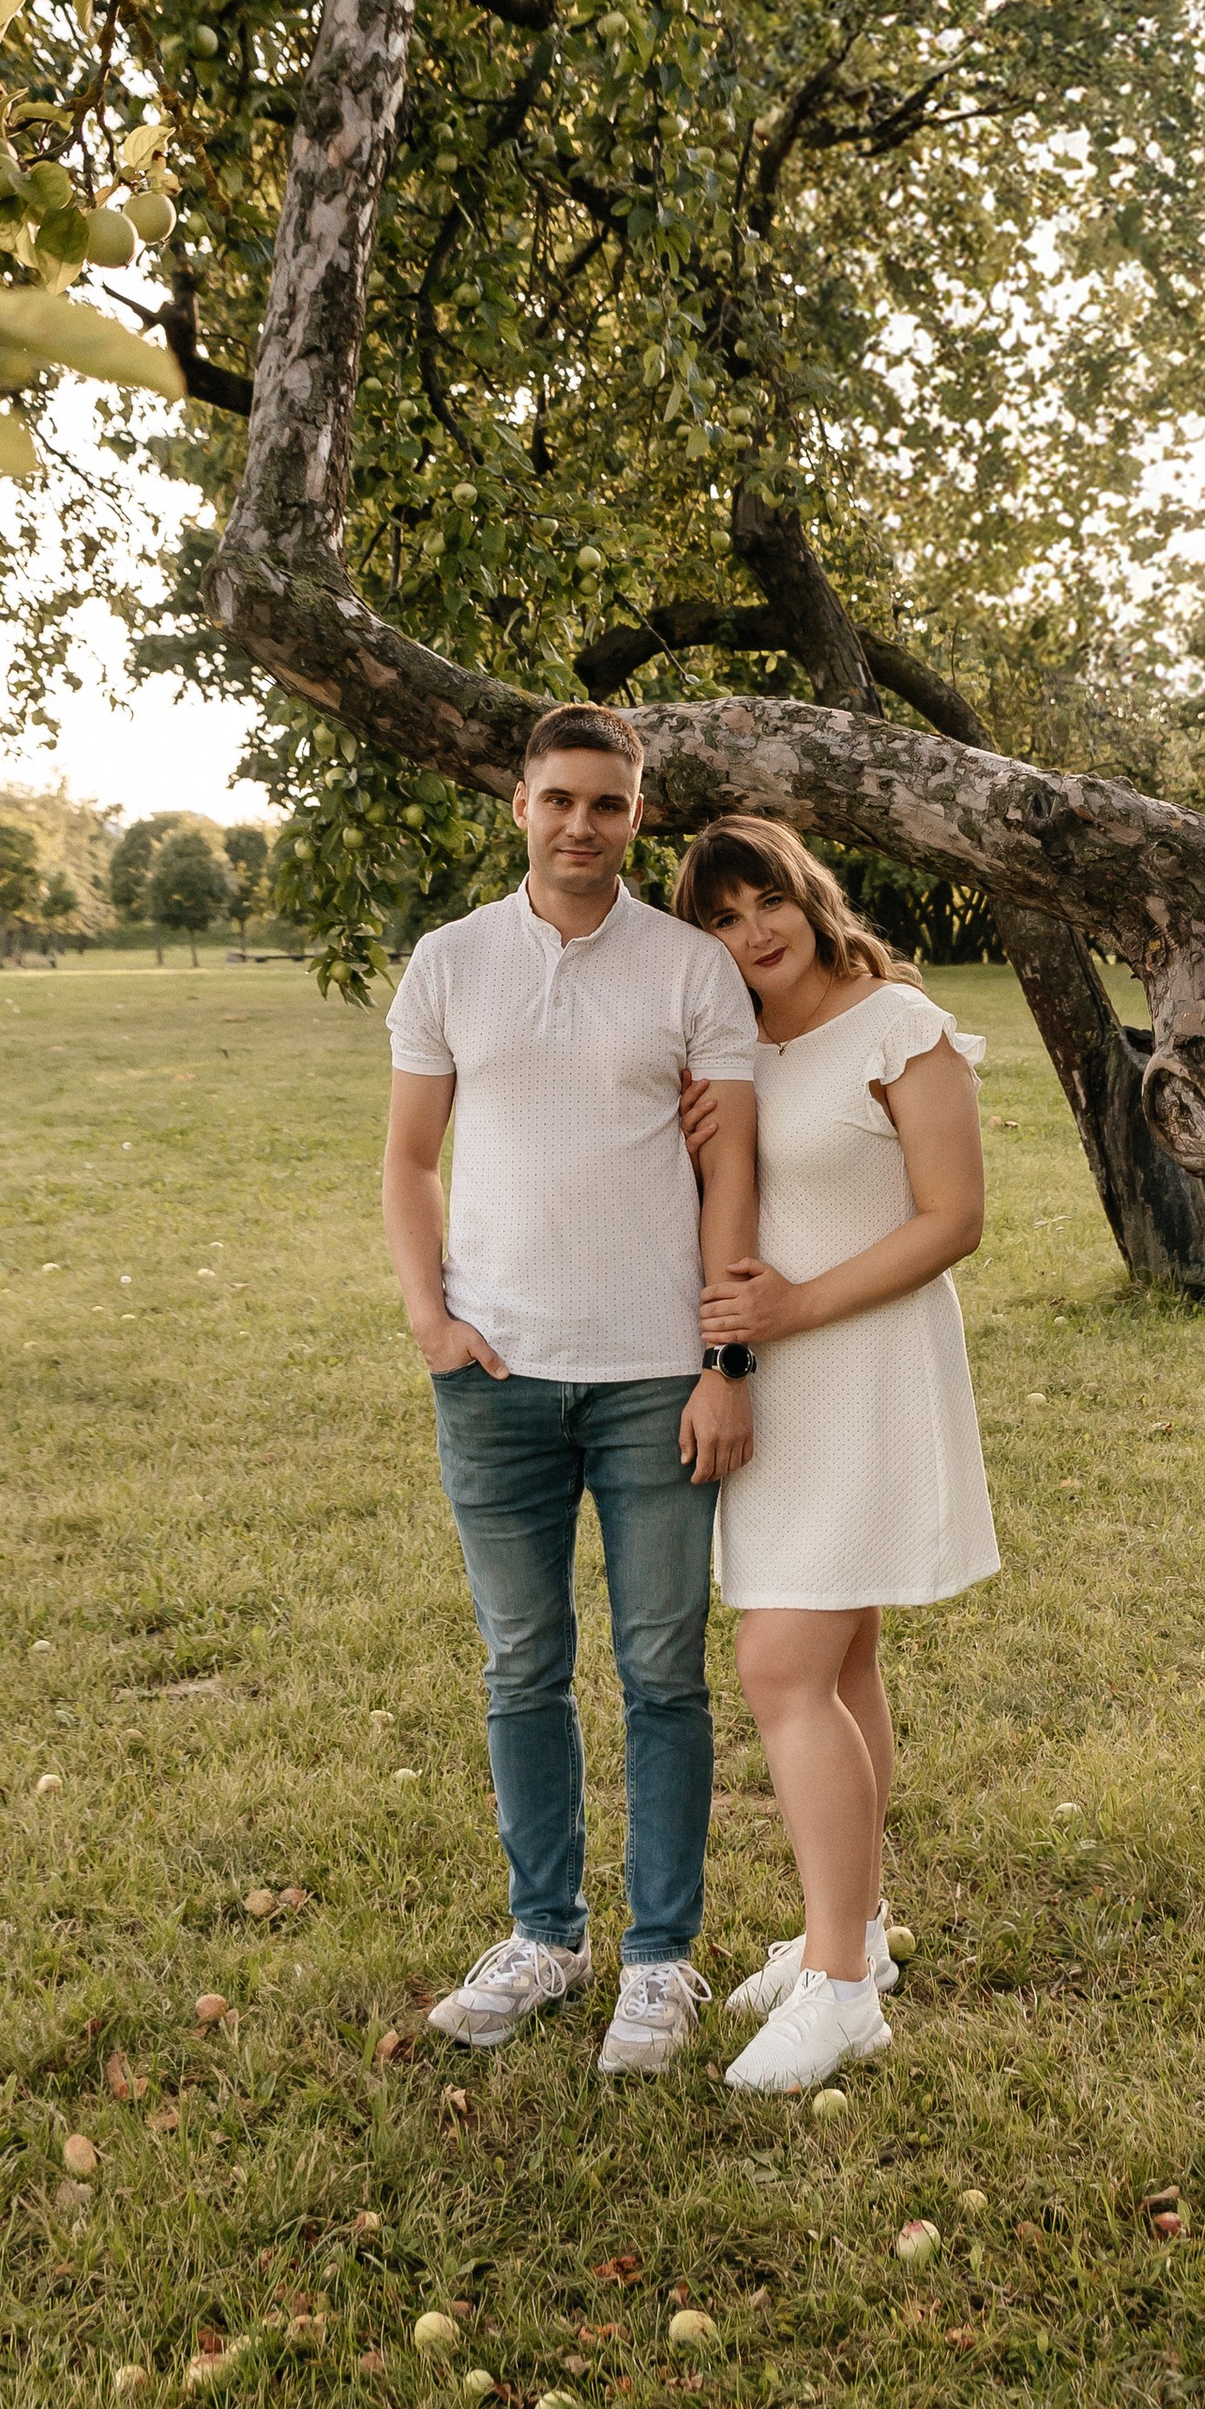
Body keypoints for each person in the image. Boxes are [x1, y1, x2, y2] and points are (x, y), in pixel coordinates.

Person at [380, 706, 763, 2078]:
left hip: (657, 1378)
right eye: (558, 800)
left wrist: (726, 1361)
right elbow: (413, 1158)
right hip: (495, 1378)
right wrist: (431, 1316)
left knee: (662, 1670)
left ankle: (660, 1962)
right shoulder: (450, 963)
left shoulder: (692, 971)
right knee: (519, 1664)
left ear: (638, 815)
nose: (580, 825)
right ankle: (547, 1935)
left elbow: (733, 1174)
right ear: (520, 806)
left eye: (607, 803)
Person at [670, 816, 996, 2096]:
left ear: (805, 893)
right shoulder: (738, 1044)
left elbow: (955, 1217)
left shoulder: (896, 1024)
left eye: (765, 901)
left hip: (861, 1365)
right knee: (841, 1654)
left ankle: (844, 1996)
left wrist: (791, 1309)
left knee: (779, 1660)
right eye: (722, 920)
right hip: (778, 1376)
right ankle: (844, 1931)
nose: (753, 932)